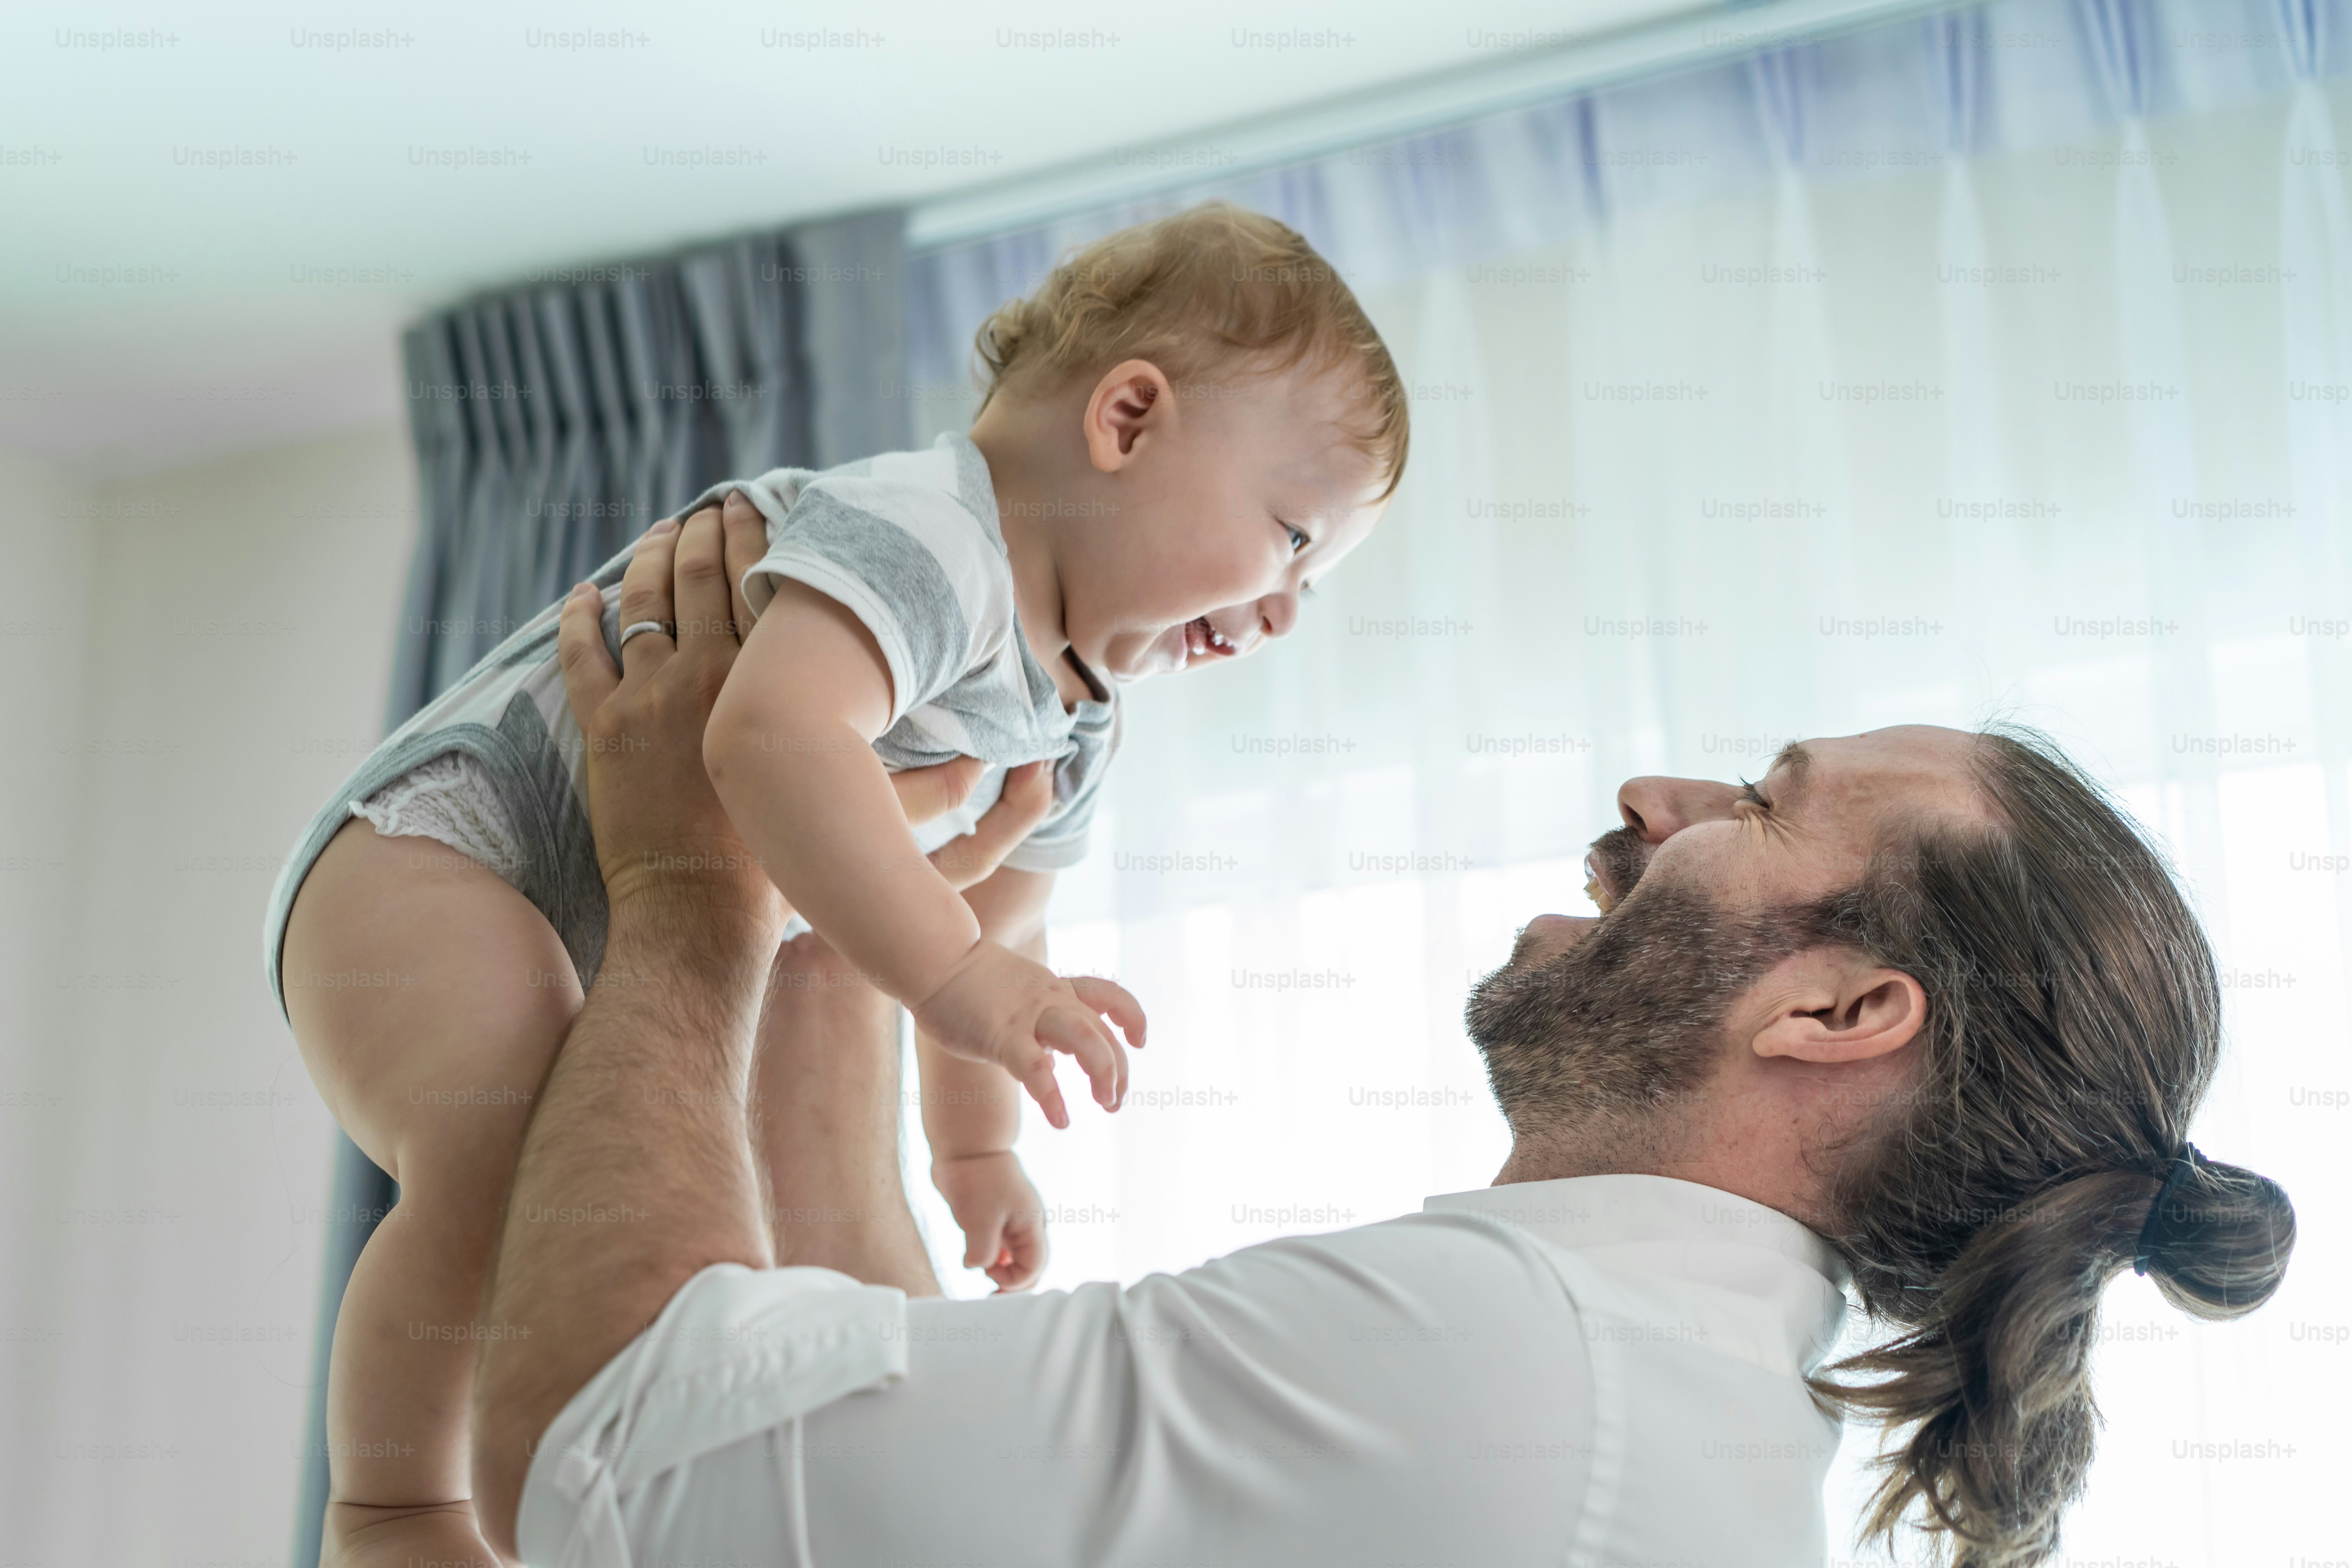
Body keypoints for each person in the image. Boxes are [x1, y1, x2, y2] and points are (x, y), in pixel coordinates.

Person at [462, 514, 2296, 1568]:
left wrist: (682, 876)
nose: (1656, 793)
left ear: (1833, 1011)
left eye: (1760, 794)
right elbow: (855, 1432)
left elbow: (616, 1445)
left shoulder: (1508, 1359)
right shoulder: (1633, 1390)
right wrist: (853, 947)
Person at [265, 202, 1407, 1566]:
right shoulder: (929, 538)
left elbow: (1000, 924)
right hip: (441, 848)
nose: (1286, 609)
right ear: (1129, 417)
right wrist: (968, 982)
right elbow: (773, 738)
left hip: (586, 906)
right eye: (1291, 536)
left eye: (1316, 584)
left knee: (603, 1144)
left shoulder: (1082, 714)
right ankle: (392, 1506)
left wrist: (971, 1145)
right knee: (498, 1132)